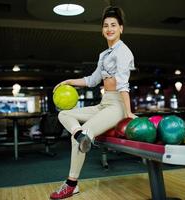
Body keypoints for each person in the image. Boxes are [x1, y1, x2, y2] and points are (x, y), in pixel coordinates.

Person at [50, 6, 137, 199]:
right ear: (102, 29)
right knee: (64, 114)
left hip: (117, 105)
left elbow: (123, 85)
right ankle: (79, 134)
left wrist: (128, 112)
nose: (109, 29)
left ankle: (71, 184)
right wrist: (69, 81)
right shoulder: (103, 55)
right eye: (106, 25)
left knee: (86, 133)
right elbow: (92, 80)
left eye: (114, 25)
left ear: (121, 28)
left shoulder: (123, 52)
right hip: (104, 103)